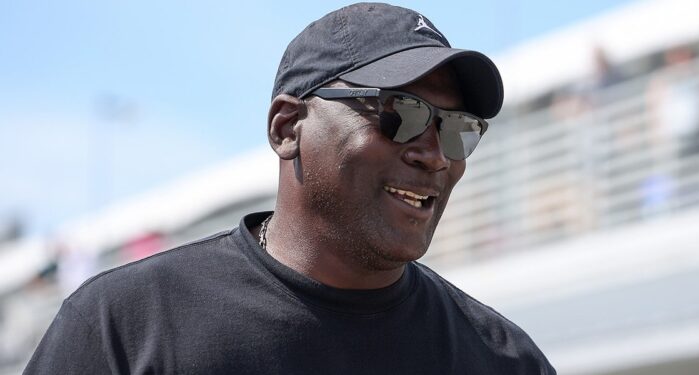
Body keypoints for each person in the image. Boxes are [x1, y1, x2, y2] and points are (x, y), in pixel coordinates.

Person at [24, 3, 555, 374]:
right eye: (402, 113)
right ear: (287, 127)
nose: (435, 154)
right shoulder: (127, 324)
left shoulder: (504, 359)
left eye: (457, 128)